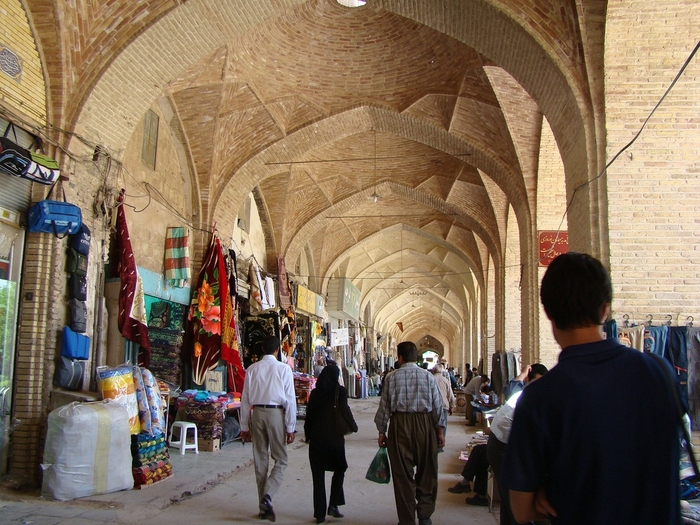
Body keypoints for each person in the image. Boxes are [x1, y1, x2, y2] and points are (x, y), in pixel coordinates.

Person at [502, 252, 681, 525]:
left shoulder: (541, 396)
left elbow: (522, 511)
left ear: (548, 311)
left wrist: (543, 490)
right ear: (605, 309)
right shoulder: (659, 372)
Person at [374, 341, 446, 525]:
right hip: (425, 424)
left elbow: (384, 407)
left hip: (400, 425)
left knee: (403, 477)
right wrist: (440, 431)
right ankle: (425, 516)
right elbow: (438, 407)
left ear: (400, 358)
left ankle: (407, 519)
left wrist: (382, 431)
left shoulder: (391, 377)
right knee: (427, 472)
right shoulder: (428, 377)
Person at [240, 336, 297, 522]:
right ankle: (268, 496)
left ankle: (263, 507)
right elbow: (290, 399)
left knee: (260, 460)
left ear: (262, 349)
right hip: (275, 415)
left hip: (257, 415)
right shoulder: (283, 369)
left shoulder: (252, 369)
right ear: (277, 350)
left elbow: (245, 400)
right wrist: (290, 427)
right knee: (281, 459)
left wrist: (243, 425)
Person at [486, 363, 548, 525]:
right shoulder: (527, 395)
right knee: (514, 497)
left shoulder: (529, 393)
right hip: (501, 446)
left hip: (502, 443)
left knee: (511, 498)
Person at [304, 364, 358, 524]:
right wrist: (353, 426)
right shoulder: (339, 391)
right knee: (340, 468)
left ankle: (320, 514)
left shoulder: (314, 393)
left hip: (317, 439)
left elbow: (310, 416)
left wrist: (308, 435)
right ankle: (333, 504)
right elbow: (345, 409)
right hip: (334, 438)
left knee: (318, 475)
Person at [430, 364, 455, 451]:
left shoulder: (430, 379)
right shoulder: (445, 380)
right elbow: (450, 395)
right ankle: (440, 445)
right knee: (442, 426)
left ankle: (432, 444)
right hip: (443, 406)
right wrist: (452, 406)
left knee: (432, 426)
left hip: (432, 406)